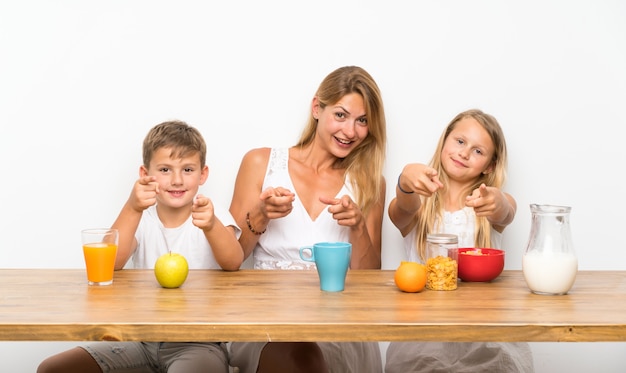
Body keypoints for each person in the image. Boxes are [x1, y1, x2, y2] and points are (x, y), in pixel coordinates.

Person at [37, 120, 244, 373]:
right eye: (165, 169)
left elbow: (233, 261)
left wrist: (211, 225)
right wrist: (132, 207)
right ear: (146, 175)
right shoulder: (141, 219)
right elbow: (110, 264)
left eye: (188, 170)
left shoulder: (212, 215)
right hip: (139, 340)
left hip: (198, 343)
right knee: (53, 369)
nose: (177, 180)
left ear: (203, 174)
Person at [228, 66, 387, 373]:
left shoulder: (368, 182)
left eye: (362, 121)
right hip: (269, 319)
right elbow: (231, 258)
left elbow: (370, 279)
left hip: (337, 322)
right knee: (298, 356)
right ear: (317, 108)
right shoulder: (261, 162)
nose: (350, 131)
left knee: (310, 355)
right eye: (340, 115)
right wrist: (260, 216)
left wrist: (357, 227)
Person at [385, 109, 535, 372]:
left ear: (490, 165)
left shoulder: (487, 205)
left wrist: (496, 200)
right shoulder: (419, 205)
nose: (465, 153)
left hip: (483, 336)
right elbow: (402, 209)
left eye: (478, 151)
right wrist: (405, 181)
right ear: (445, 142)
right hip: (424, 336)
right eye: (460, 141)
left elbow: (506, 210)